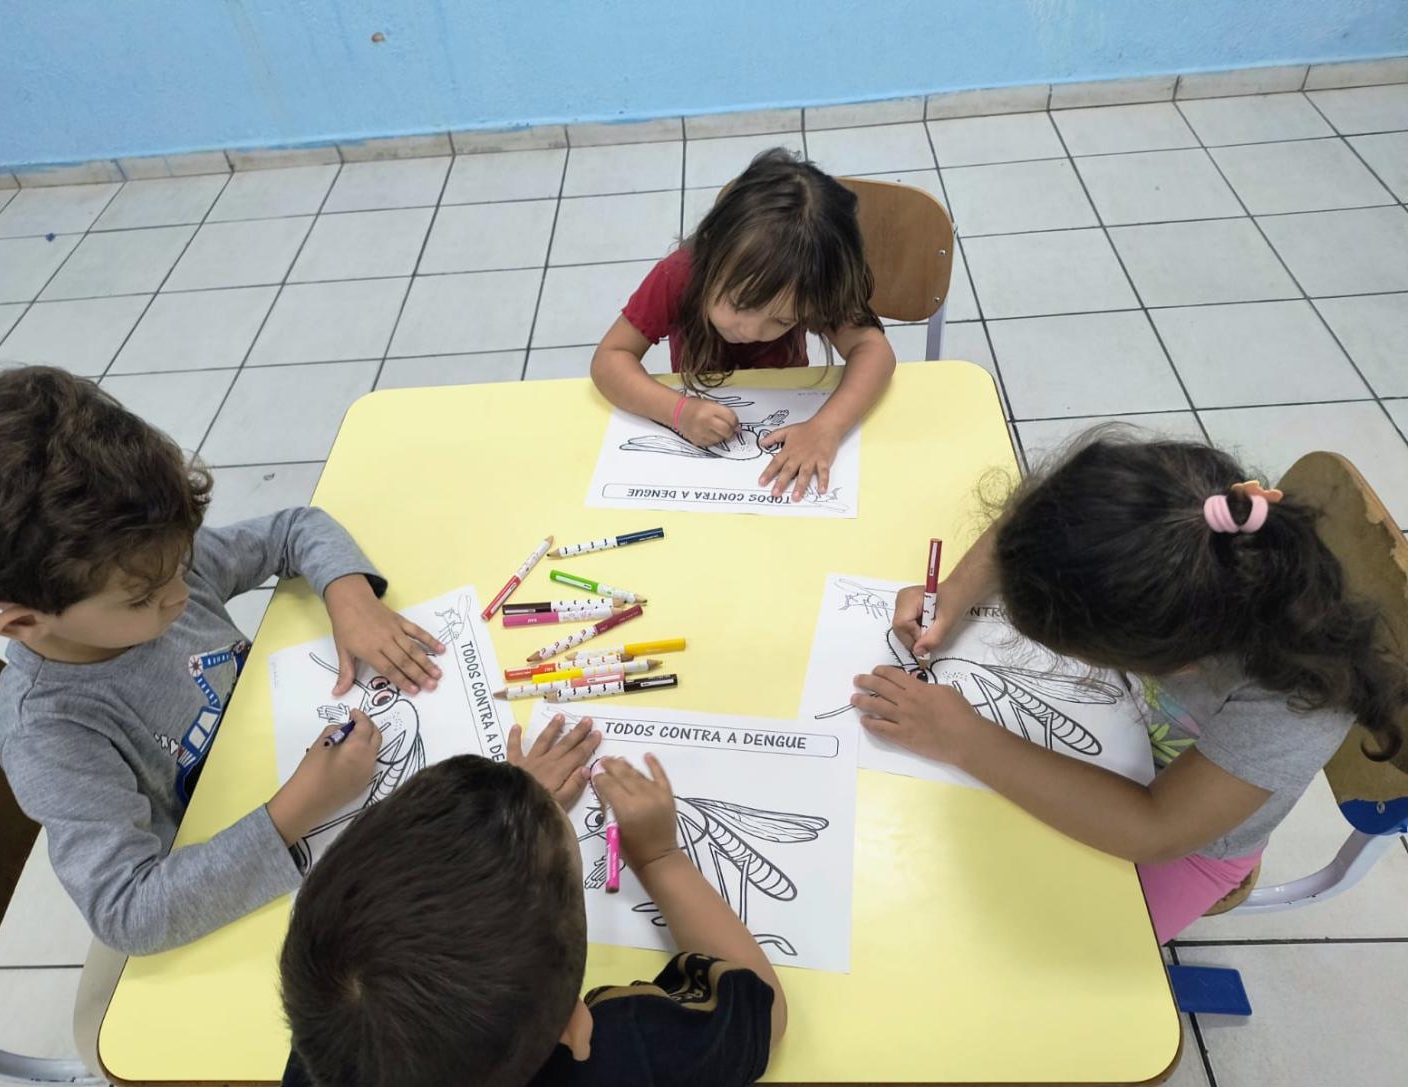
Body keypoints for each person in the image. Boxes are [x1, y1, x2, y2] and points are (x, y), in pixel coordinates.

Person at [0, 365, 447, 955]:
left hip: (288, 780)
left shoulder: (147, 564)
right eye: (143, 599)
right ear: (26, 622)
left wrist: (350, 597)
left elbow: (295, 528)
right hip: (236, 887)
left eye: (180, 558)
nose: (180, 594)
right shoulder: (51, 732)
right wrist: (299, 809)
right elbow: (130, 914)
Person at [855, 433, 1407, 942]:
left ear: (1179, 663)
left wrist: (964, 738)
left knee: (1028, 948)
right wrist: (952, 593)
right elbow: (1026, 521)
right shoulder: (1177, 524)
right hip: (1110, 738)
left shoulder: (1294, 699)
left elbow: (1156, 829)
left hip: (1184, 842)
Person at [279, 723, 787, 1087]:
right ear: (574, 1025)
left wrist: (506, 816)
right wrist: (661, 859)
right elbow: (764, 1008)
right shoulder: (629, 1052)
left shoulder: (332, 1043)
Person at [590, 147, 895, 502]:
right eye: (739, 304)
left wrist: (826, 427)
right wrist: (678, 411)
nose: (750, 331)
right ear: (711, 252)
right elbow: (610, 358)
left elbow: (873, 351)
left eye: (782, 320)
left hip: (786, 408)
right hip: (699, 418)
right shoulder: (679, 275)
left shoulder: (808, 280)